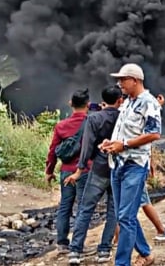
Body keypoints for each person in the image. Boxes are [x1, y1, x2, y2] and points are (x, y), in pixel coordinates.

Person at [101, 63, 161, 266]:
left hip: (134, 166)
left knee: (126, 217)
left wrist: (124, 144)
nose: (119, 84)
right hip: (117, 164)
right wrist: (110, 143)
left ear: (135, 80)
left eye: (123, 80)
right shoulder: (127, 102)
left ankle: (122, 263)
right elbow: (122, 131)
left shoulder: (149, 103)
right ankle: (145, 252)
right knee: (123, 216)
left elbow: (154, 133)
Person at [65, 85, 124, 264]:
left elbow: (87, 146)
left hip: (99, 168)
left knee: (85, 209)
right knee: (113, 211)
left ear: (103, 100)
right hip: (119, 169)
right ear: (120, 100)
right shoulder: (124, 118)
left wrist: (79, 170)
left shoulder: (94, 119)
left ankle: (75, 251)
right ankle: (104, 251)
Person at [45, 89, 92, 254]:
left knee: (65, 206)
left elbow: (52, 151)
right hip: (85, 171)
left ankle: (62, 244)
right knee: (82, 208)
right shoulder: (92, 123)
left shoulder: (61, 126)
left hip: (66, 171)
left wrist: (49, 171)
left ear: (70, 104)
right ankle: (78, 246)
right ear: (88, 105)